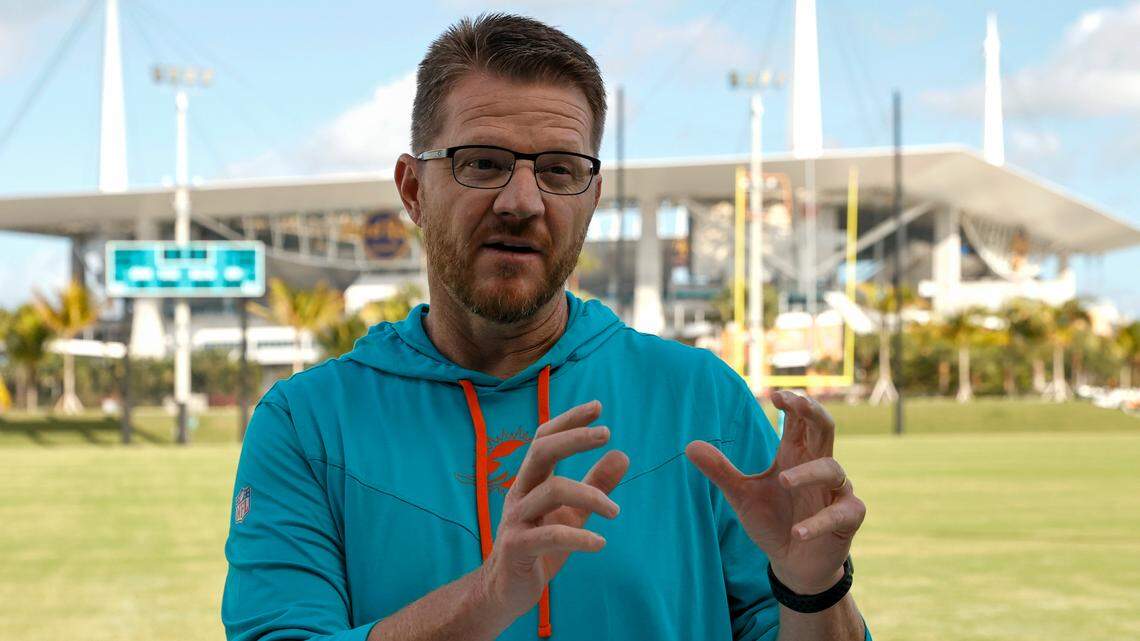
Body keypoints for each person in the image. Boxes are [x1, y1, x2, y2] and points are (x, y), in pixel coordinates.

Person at [222, 13, 870, 641]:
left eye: (559, 170)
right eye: (483, 162)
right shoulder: (307, 423)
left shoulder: (701, 401)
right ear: (413, 189)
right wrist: (490, 595)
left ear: (592, 199)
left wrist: (813, 588)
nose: (522, 202)